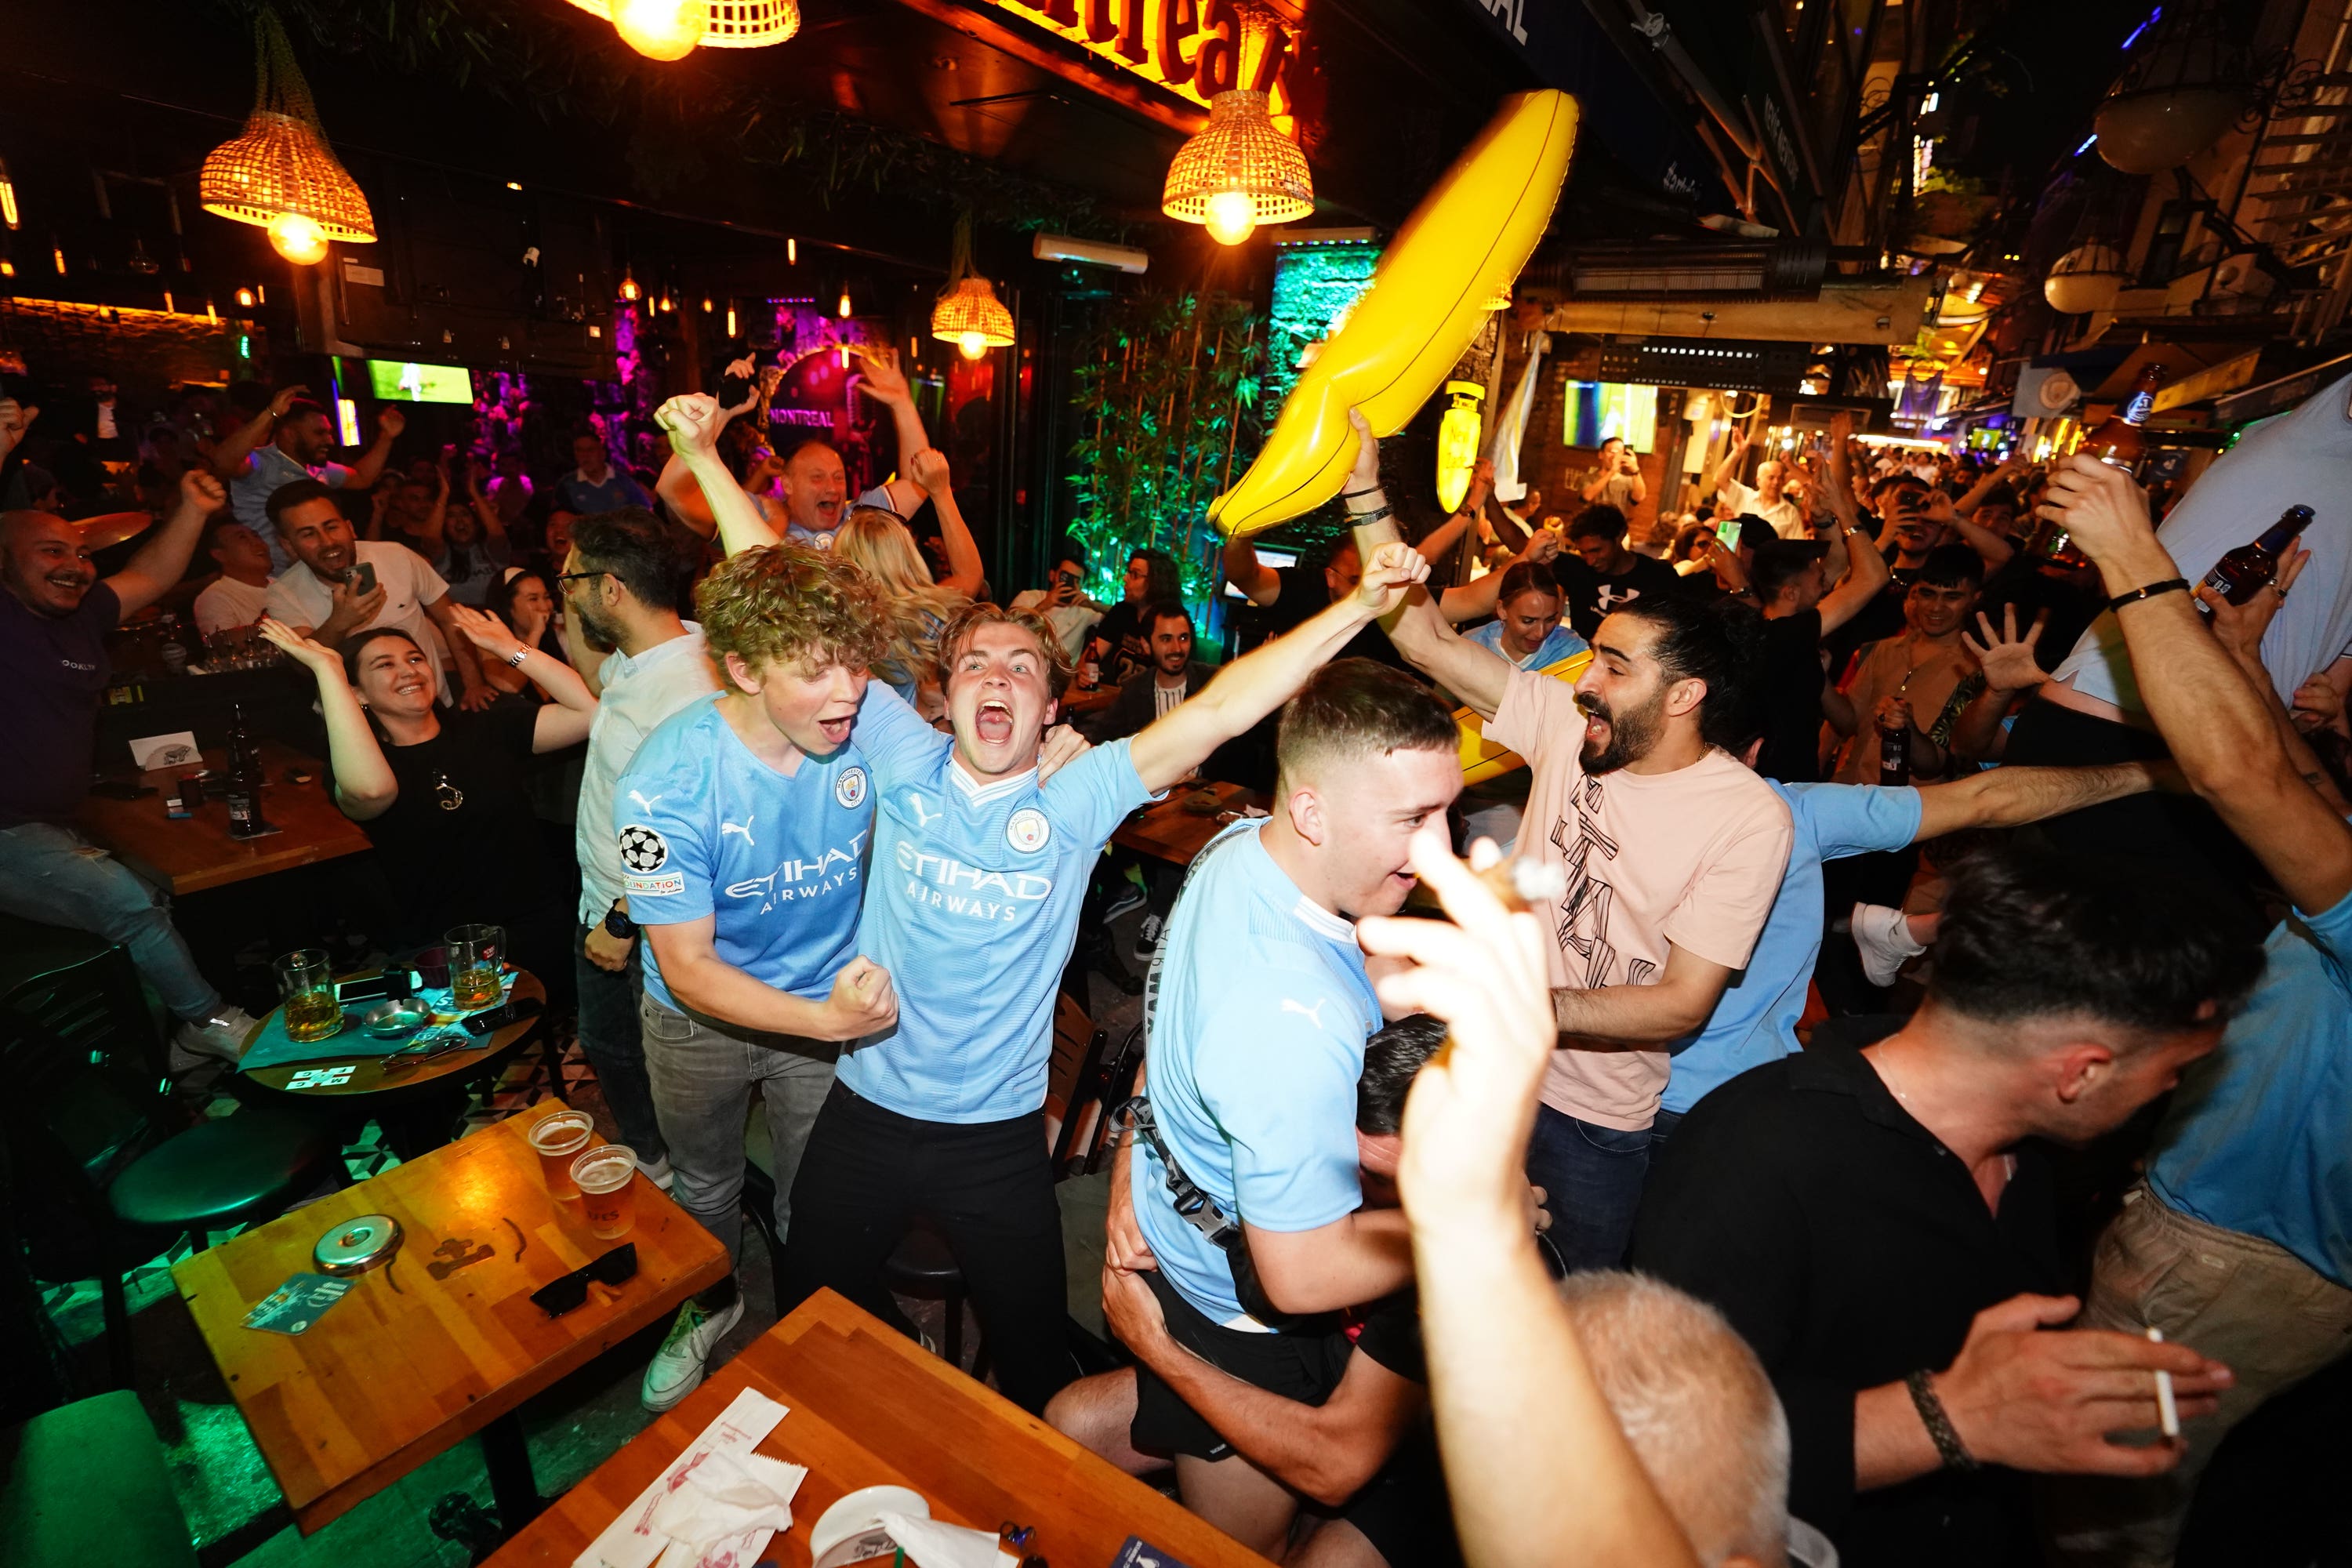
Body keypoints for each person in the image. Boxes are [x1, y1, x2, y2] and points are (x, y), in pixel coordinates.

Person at [753, 501, 1437, 1413]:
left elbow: (1223, 705)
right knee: (808, 1296)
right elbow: (784, 607)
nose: (997, 677)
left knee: (1037, 1358)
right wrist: (706, 460)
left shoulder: (1077, 796)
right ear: (942, 692)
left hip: (994, 1138)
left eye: (1022, 667)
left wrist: (1360, 605)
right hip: (867, 1109)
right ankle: (885, 1390)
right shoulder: (901, 757)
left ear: (1048, 705)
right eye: (975, 664)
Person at [1629, 848, 2260, 1568]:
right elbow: (1666, 1453)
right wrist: (1952, 1418)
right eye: (2173, 1070)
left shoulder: (2023, 1161)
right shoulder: (1753, 1158)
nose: (2169, 1091)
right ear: (2081, 1072)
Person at [2009, 458, 2352, 1568]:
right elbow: (2312, 794)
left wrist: (2137, 565)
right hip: (2249, 1255)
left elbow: (2251, 786)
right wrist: (2245, 660)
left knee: (2109, 1520)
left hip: (2230, 1263)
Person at [1372, 405, 1791, 1269]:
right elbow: (1419, 634)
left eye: (1614, 667)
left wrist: (1527, 1005)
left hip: (1592, 1119)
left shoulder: (1749, 816)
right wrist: (1362, 496)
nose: (1585, 680)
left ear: (1684, 697)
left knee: (1565, 1317)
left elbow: (1682, 1001)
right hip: (1485, 1069)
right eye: (1594, 654)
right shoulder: (1567, 722)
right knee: (1446, 1281)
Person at [1119, 659, 1464, 1554]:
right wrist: (1470, 1225)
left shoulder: (1242, 848)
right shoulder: (1289, 1022)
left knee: (1098, 1423)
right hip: (1234, 1307)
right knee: (1235, 1546)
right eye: (1415, 819)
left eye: (1448, 809)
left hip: (1175, 1222)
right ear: (1313, 810)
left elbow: (1175, 1027)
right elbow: (1302, 1279)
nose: (1446, 846)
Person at [1353, 826, 1708, 1568]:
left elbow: (1338, 1457)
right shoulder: (1447, 1230)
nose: (1367, 1187)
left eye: (1384, 1174)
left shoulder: (1457, 1284)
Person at [1053, 1015, 1450, 1567]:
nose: (1341, 1194)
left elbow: (1336, 1463)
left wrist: (1155, 1348)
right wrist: (1126, 1190)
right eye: (1339, 1158)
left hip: (1406, 1453)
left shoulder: (1448, 1272)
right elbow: (1162, 1062)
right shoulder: (1321, 1061)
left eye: (1379, 1181)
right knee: (1071, 1429)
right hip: (1293, 1364)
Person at [0, 472, 261, 1073]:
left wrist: (193, 508)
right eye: (52, 551)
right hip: (6, 831)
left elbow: (153, 575)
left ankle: (150, 1060)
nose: (75, 565)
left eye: (82, 553)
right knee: (130, 904)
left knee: (146, 904)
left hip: (52, 822)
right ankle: (210, 1022)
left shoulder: (83, 615)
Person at [260, 609, 592, 985]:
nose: (408, 671)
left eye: (415, 658)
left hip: (538, 922)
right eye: (385, 665)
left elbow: (590, 712)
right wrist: (328, 671)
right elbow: (373, 791)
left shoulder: (487, 728)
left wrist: (511, 648)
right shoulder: (362, 767)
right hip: (445, 947)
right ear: (357, 692)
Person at [560, 508, 715, 1194]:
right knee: (610, 1048)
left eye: (571, 582)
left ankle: (672, 1179)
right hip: (608, 899)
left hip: (643, 919)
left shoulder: (688, 686)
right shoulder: (647, 656)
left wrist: (624, 919)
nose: (564, 593)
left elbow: (688, 817)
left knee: (638, 1054)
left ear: (612, 589)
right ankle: (656, 1163)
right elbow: (596, 679)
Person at [655, 349, 931, 546]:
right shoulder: (761, 516)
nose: (833, 488)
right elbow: (674, 491)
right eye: (817, 477)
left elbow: (921, 481)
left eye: (838, 477)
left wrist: (902, 405)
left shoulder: (862, 519)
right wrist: (721, 411)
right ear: (787, 483)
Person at [261, 480, 494, 710]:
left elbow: (449, 619)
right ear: (288, 545)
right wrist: (339, 623)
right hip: (352, 721)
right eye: (308, 534)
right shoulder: (282, 593)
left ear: (350, 527)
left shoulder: (397, 556)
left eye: (332, 527)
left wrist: (473, 684)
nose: (328, 542)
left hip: (429, 705)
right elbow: (302, 665)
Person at [1826, 545, 1986, 786]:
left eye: (1952, 597)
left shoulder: (1974, 670)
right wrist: (1817, 674)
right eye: (1928, 594)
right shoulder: (1884, 649)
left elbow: (1934, 765)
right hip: (1848, 794)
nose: (1935, 607)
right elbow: (1849, 722)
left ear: (1975, 599)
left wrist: (1906, 728)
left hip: (1908, 813)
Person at [215, 385, 401, 571]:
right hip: (268, 579)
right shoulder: (261, 462)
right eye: (320, 433)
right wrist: (271, 413)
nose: (330, 441)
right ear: (289, 433)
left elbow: (362, 478)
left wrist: (386, 437)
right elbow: (223, 462)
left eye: (329, 433)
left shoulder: (318, 469)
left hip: (308, 577)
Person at [1554, 505, 1685, 641]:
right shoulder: (1575, 569)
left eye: (1596, 550)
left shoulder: (1658, 576)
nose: (1590, 561)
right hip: (1585, 660)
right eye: (1583, 552)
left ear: (1619, 536)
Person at [1083, 546, 1185, 689]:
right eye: (1128, 572)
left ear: (1155, 582)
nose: (1125, 578)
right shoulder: (1121, 612)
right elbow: (1090, 658)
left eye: (1135, 574)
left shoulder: (1172, 624)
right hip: (1111, 699)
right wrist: (1083, 673)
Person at [1462, 561, 1586, 670]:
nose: (1540, 633)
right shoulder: (1472, 646)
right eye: (1528, 621)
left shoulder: (1572, 651)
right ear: (1502, 610)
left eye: (1550, 620)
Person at [1007, 538, 1105, 663]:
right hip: (1021, 664)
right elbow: (1006, 628)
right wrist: (1045, 605)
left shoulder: (1084, 611)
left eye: (1076, 580)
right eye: (1066, 576)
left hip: (1059, 675)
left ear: (1081, 585)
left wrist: (1093, 604)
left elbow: (1118, 615)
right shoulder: (1029, 597)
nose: (1070, 583)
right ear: (1053, 575)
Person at [483, 568, 568, 700]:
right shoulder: (490, 643)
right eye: (533, 599)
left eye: (546, 597)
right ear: (508, 606)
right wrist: (534, 634)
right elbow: (509, 685)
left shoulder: (553, 635)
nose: (545, 607)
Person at [1712, 430, 1807, 540]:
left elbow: (1794, 547)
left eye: (1780, 478)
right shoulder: (1745, 497)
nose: (1776, 483)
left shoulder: (1790, 512)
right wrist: (1737, 452)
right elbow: (1720, 479)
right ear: (1758, 480)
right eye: (1771, 478)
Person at [191, 515, 275, 637]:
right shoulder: (215, 598)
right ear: (219, 555)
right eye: (242, 538)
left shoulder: (282, 585)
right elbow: (226, 645)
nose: (257, 543)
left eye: (256, 536)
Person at [558, 429, 653, 514]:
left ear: (602, 453)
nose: (585, 456)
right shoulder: (567, 485)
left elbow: (646, 512)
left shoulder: (625, 482)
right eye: (579, 451)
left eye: (590, 450)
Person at [1579, 435, 1647, 519]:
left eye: (1620, 452)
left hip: (1617, 529)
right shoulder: (1587, 478)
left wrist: (1635, 470)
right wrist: (1612, 471)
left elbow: (1639, 498)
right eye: (1612, 452)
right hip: (1592, 528)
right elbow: (1587, 496)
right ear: (1601, 455)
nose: (1615, 456)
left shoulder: (1627, 481)